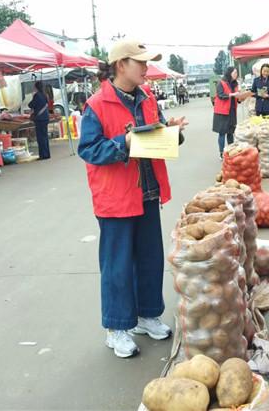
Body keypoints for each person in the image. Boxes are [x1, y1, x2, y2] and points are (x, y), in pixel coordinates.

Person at [78, 40, 188, 359]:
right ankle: (117, 327)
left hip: (148, 192)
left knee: (151, 257)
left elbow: (158, 136)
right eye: (140, 62)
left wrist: (173, 133)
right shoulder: (96, 105)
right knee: (118, 266)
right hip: (115, 198)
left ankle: (146, 315)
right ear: (120, 65)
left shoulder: (148, 98)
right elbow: (89, 150)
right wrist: (122, 142)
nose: (146, 68)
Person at [212, 67, 249, 158]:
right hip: (222, 112)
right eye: (235, 72)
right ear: (229, 73)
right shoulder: (221, 83)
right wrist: (232, 95)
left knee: (230, 132)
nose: (236, 74)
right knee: (222, 133)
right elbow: (221, 95)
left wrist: (242, 97)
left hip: (232, 110)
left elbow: (237, 98)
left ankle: (231, 151)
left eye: (236, 72)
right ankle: (221, 153)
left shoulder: (235, 84)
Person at [29, 81, 51, 160]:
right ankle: (47, 154)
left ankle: (43, 155)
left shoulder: (37, 95)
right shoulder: (45, 95)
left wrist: (33, 96)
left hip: (39, 118)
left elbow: (31, 105)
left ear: (36, 87)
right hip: (45, 117)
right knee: (45, 136)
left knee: (40, 137)